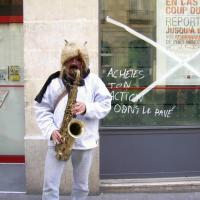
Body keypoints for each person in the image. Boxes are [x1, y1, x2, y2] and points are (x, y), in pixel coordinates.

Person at [34, 41, 112, 200]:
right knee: (49, 186)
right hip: (58, 140)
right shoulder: (54, 81)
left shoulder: (94, 81)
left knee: (82, 187)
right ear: (64, 61)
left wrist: (87, 108)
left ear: (84, 61)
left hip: (85, 141)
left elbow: (106, 104)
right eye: (71, 59)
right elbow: (42, 109)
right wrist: (51, 131)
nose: (75, 62)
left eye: (79, 59)